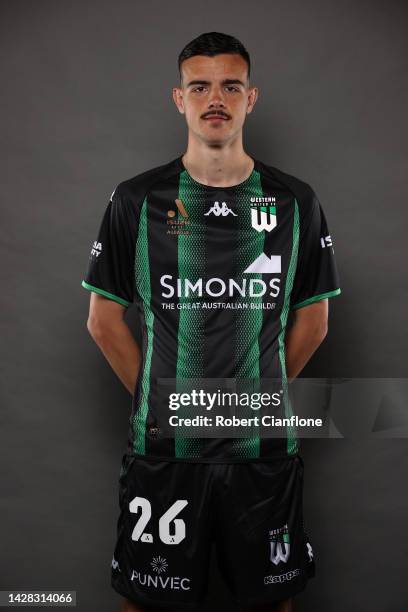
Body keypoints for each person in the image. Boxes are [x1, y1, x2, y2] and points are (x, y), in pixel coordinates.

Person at [81, 32, 341, 612]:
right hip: (166, 455)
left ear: (253, 98)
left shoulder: (295, 201)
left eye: (231, 85)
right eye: (200, 86)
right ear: (179, 98)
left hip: (261, 453)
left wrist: (251, 399)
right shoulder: (137, 199)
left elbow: (314, 323)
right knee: (145, 601)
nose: (215, 98)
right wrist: (167, 399)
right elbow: (102, 321)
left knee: (272, 601)